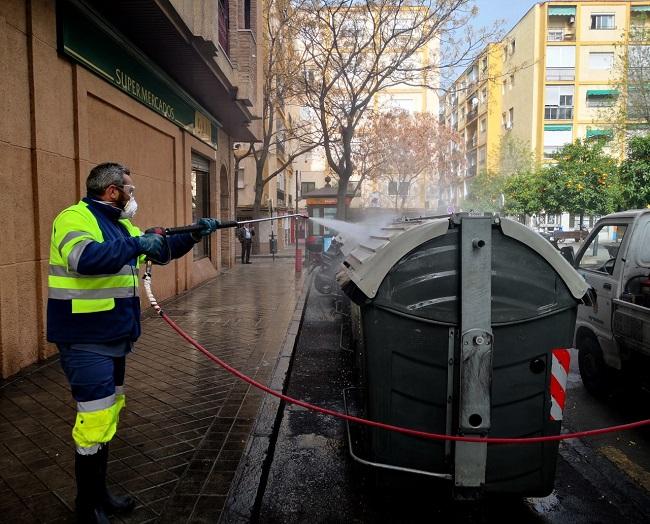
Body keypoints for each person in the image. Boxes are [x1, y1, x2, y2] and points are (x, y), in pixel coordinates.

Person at [47, 162, 220, 523]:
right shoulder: (73, 218)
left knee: (107, 417)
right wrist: (136, 242)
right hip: (84, 340)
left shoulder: (120, 224)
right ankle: (87, 506)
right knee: (94, 420)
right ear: (112, 191)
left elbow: (157, 251)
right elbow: (84, 259)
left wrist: (193, 235)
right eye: (130, 189)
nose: (133, 196)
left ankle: (101, 495)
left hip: (115, 337)